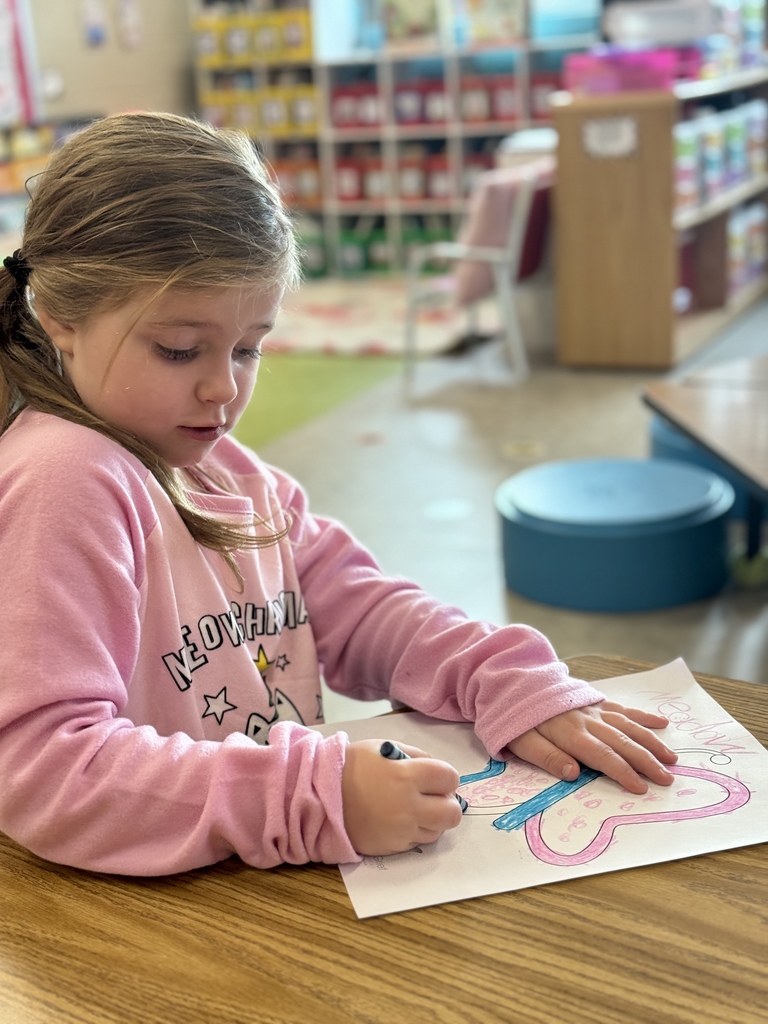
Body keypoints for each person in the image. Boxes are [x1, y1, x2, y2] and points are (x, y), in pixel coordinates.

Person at [0, 112, 678, 875]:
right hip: (146, 945)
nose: (223, 387)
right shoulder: (64, 477)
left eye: (250, 347)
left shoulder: (231, 474)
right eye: (179, 349)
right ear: (60, 317)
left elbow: (361, 610)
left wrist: (503, 678)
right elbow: (42, 770)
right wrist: (307, 794)